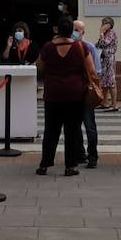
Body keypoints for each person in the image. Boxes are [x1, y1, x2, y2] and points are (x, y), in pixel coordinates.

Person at [35, 16, 97, 176]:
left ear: (57, 30)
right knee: (72, 130)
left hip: (53, 94)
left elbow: (40, 66)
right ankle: (70, 166)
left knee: (50, 130)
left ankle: (44, 164)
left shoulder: (48, 47)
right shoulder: (81, 47)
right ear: (71, 31)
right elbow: (91, 70)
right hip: (75, 94)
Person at [72, 20, 101, 169]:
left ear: (83, 32)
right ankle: (80, 154)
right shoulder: (68, 47)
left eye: (78, 30)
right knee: (75, 127)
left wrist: (94, 87)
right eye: (73, 29)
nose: (75, 32)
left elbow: (97, 71)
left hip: (86, 91)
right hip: (73, 92)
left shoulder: (89, 47)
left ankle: (92, 156)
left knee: (89, 126)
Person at [95, 17, 119, 111]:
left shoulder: (111, 33)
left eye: (103, 23)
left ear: (108, 25)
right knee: (104, 82)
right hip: (104, 60)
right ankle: (104, 102)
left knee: (111, 82)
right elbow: (99, 45)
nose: (101, 25)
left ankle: (114, 105)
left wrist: (101, 33)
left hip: (109, 59)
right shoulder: (105, 34)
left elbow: (105, 43)